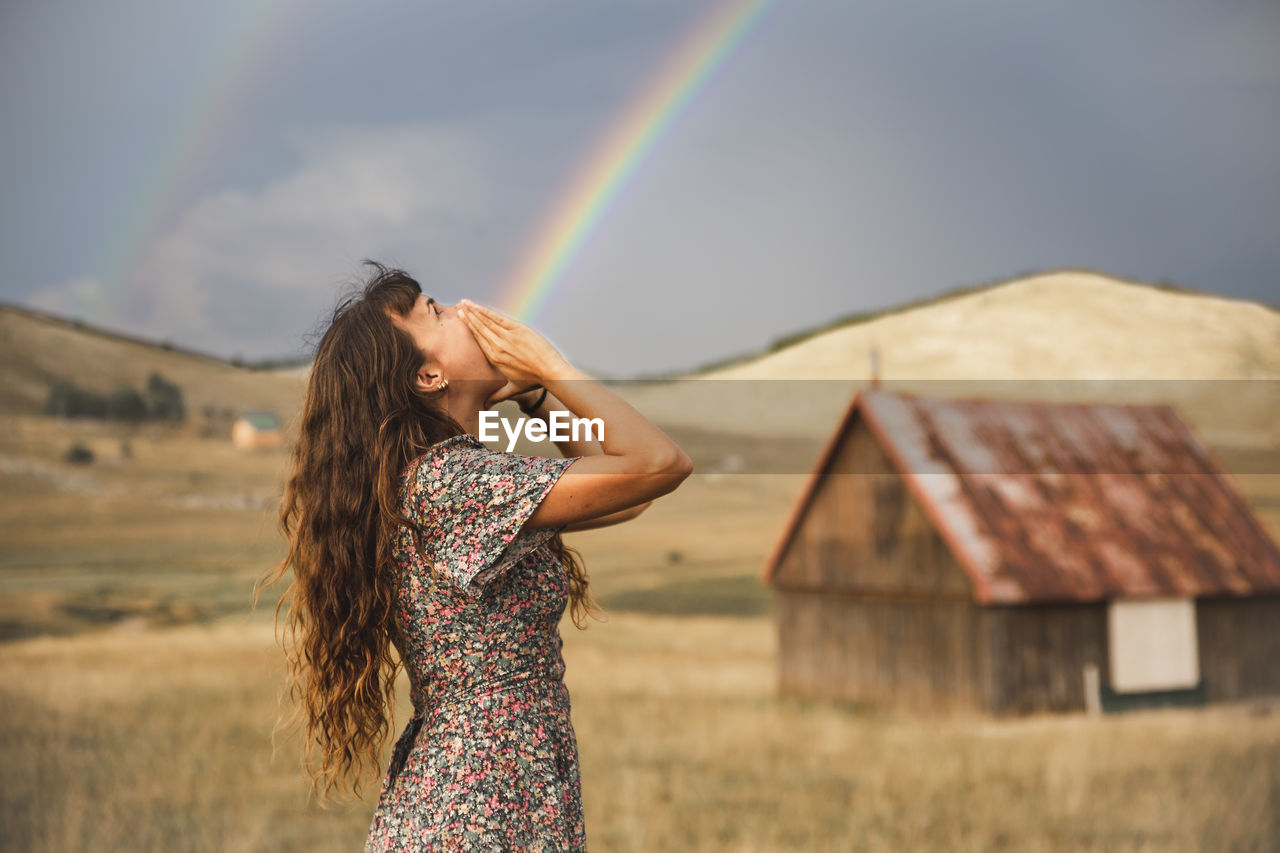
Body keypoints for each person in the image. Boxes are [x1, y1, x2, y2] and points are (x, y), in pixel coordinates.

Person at [262, 262, 692, 851]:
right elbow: (660, 465)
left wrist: (539, 396)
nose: (465, 308)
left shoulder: (452, 478)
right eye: (435, 311)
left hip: (494, 794)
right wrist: (555, 366)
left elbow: (626, 500)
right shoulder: (450, 484)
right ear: (429, 376)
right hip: (475, 809)